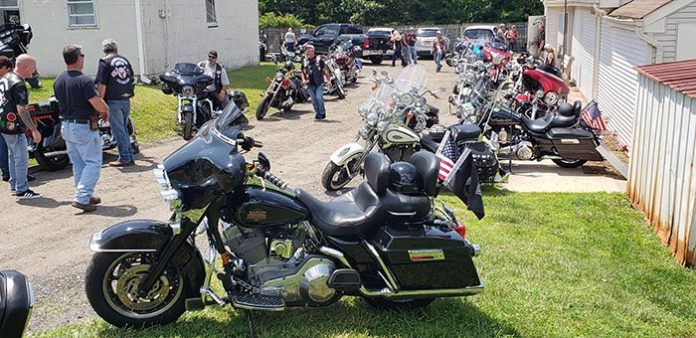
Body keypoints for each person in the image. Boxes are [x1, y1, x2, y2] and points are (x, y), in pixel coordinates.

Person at [54, 44, 109, 212]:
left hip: (67, 125)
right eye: (82, 55)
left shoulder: (59, 79)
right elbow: (97, 102)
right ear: (78, 58)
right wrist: (105, 110)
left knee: (78, 163)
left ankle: (83, 194)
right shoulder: (84, 80)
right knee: (93, 162)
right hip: (83, 126)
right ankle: (82, 197)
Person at [0, 54, 41, 199]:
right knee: (21, 158)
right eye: (33, 67)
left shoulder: (5, 77)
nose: (34, 71)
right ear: (25, 66)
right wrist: (34, 129)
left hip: (4, 124)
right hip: (15, 127)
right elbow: (22, 109)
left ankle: (14, 185)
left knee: (13, 156)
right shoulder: (18, 84)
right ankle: (22, 190)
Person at [96, 38, 135, 167]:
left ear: (104, 50)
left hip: (113, 101)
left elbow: (102, 84)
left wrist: (100, 103)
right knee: (123, 129)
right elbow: (132, 78)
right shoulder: (125, 61)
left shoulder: (104, 62)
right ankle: (129, 155)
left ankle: (125, 158)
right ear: (116, 49)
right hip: (126, 99)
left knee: (118, 130)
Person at [300, 45, 331, 121]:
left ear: (313, 51)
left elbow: (325, 70)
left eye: (310, 50)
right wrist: (303, 79)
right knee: (313, 100)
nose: (308, 52)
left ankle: (322, 112)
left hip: (318, 83)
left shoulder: (319, 60)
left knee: (319, 97)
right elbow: (302, 72)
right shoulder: (304, 61)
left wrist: (328, 80)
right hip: (309, 83)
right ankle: (318, 113)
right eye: (307, 50)